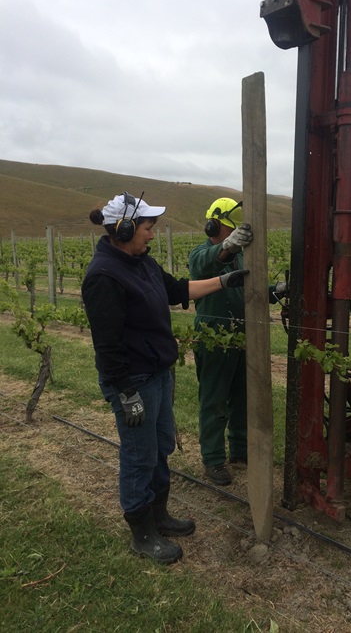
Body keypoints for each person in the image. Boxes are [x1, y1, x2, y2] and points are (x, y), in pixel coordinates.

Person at [82, 192, 249, 564]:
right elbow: (106, 346)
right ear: (124, 229)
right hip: (133, 381)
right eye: (147, 227)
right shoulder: (104, 277)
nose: (152, 234)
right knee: (139, 455)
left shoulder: (141, 262)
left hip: (158, 374)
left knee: (160, 448)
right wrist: (126, 392)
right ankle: (142, 533)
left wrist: (227, 281)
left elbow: (178, 289)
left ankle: (159, 515)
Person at [189, 198, 284, 486]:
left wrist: (276, 291)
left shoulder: (242, 257)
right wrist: (226, 247)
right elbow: (200, 267)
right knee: (214, 400)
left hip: (243, 335)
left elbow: (252, 289)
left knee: (243, 396)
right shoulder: (202, 254)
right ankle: (214, 459)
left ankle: (240, 450)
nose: (235, 237)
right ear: (214, 224)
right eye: (230, 229)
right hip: (214, 337)